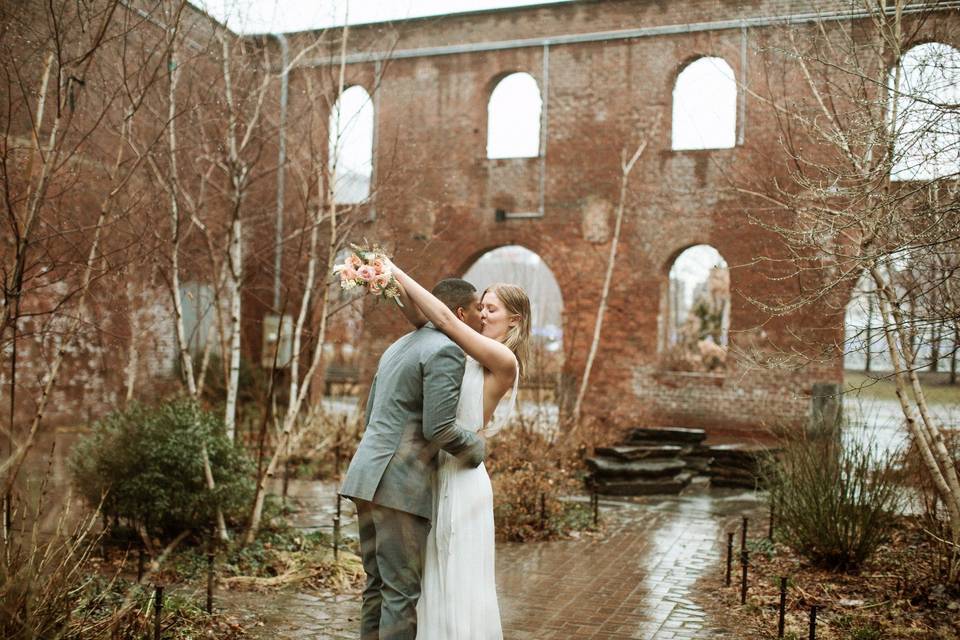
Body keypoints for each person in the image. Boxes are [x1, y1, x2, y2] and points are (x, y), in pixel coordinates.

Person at [385, 261, 530, 640]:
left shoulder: (504, 361)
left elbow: (446, 319)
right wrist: (381, 279)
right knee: (432, 573)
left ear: (514, 320)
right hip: (436, 468)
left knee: (460, 575)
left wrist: (396, 269)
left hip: (464, 477)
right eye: (481, 307)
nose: (482, 313)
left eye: (492, 309)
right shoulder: (462, 352)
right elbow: (426, 317)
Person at [340, 277, 488, 640]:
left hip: (365, 476)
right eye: (475, 310)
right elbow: (440, 430)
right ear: (458, 313)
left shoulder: (399, 345)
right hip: (398, 486)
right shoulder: (446, 351)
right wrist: (478, 450)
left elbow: (371, 414)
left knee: (376, 587)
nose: (481, 318)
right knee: (401, 594)